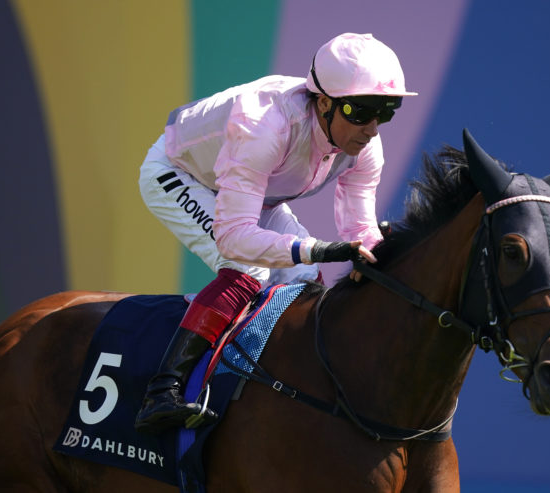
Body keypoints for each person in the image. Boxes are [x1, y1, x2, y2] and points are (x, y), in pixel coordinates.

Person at [135, 32, 417, 434]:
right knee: (248, 269)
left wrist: (378, 255)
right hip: (179, 172)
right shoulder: (264, 124)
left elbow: (359, 228)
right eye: (361, 111)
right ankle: (162, 391)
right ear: (323, 102)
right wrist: (319, 249)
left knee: (304, 280)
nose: (371, 128)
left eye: (386, 111)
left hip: (251, 192)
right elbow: (234, 238)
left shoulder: (364, 145)